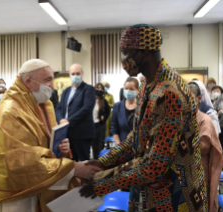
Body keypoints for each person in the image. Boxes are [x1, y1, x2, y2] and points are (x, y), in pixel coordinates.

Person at [80, 24, 208, 212]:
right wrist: (103, 162)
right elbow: (136, 139)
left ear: (143, 52)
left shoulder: (168, 92)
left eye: (125, 53)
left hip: (175, 194)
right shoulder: (149, 87)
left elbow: (155, 164)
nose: (123, 60)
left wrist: (101, 182)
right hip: (151, 190)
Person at [0, 59, 102, 212]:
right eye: (47, 80)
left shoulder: (43, 103)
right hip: (15, 193)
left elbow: (43, 144)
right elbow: (19, 160)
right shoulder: (10, 110)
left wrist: (61, 148)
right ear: (29, 81)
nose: (52, 86)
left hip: (37, 183)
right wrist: (73, 168)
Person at [188, 82, 223, 212]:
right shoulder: (180, 118)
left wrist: (185, 140)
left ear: (199, 99)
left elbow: (204, 148)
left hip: (199, 171)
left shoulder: (204, 119)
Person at [55, 64, 96, 161]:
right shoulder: (66, 91)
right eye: (73, 74)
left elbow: (87, 108)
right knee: (69, 162)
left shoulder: (88, 89)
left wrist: (69, 121)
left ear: (82, 74)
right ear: (69, 75)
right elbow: (59, 108)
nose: (75, 76)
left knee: (83, 162)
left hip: (82, 133)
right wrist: (61, 120)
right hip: (67, 133)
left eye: (78, 73)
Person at [111, 77, 139, 145]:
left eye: (131, 89)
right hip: (121, 145)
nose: (128, 91)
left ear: (137, 90)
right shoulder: (117, 106)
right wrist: (119, 146)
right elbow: (114, 129)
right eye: (126, 89)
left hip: (139, 146)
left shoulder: (142, 106)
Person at [92, 83, 110, 159]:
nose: (99, 90)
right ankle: (93, 158)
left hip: (99, 125)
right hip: (91, 125)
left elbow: (108, 111)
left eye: (101, 88)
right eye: (97, 88)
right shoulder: (90, 99)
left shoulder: (103, 101)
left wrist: (104, 117)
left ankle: (99, 160)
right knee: (92, 143)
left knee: (99, 143)